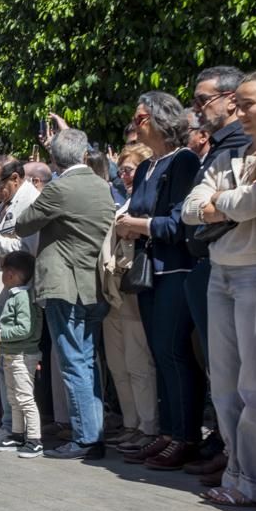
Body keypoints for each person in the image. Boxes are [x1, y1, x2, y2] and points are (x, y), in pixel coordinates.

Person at [181, 69, 256, 505]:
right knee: (225, 385)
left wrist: (219, 202)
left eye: (249, 104)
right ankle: (238, 473)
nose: (241, 111)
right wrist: (222, 203)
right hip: (221, 268)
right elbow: (192, 206)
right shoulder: (233, 154)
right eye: (241, 103)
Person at [16, 128, 115, 460]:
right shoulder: (102, 186)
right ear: (85, 154)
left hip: (64, 283)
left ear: (55, 160)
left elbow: (24, 223)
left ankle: (85, 437)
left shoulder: (59, 188)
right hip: (93, 283)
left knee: (73, 362)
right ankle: (93, 431)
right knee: (88, 361)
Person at [116, 92, 203, 470]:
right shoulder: (149, 166)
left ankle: (185, 435)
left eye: (142, 117)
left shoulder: (182, 161)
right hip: (149, 269)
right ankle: (168, 432)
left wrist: (138, 226)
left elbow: (179, 220)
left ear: (162, 120)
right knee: (159, 353)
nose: (136, 124)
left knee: (173, 351)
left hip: (174, 268)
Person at [100, 144, 158, 454]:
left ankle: (148, 426)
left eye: (130, 169)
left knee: (138, 363)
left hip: (134, 288)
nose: (124, 175)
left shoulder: (146, 198)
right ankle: (131, 423)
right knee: (118, 364)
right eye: (121, 169)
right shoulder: (123, 200)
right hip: (114, 289)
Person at [0, 156, 41, 439]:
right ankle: (8, 423)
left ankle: (16, 428)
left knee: (14, 366)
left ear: (15, 178)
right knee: (2, 361)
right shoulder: (5, 203)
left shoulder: (28, 201)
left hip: (15, 290)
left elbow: (24, 246)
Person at [0, 251, 44, 458]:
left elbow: (25, 328)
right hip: (12, 355)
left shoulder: (22, 297)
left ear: (11, 274)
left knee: (25, 398)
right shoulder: (17, 295)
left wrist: (0, 334)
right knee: (14, 398)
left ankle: (34, 439)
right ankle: (17, 434)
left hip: (23, 355)